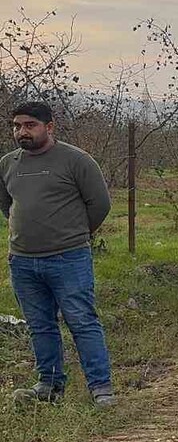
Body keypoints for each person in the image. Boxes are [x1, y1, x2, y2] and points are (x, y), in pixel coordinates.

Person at [0, 102, 115, 407]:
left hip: (69, 258)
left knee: (82, 321)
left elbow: (99, 205)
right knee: (40, 325)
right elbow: (6, 205)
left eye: (29, 125)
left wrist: (74, 235)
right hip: (23, 262)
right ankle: (49, 385)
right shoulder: (8, 164)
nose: (21, 131)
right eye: (16, 126)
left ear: (49, 127)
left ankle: (101, 388)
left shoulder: (76, 161)